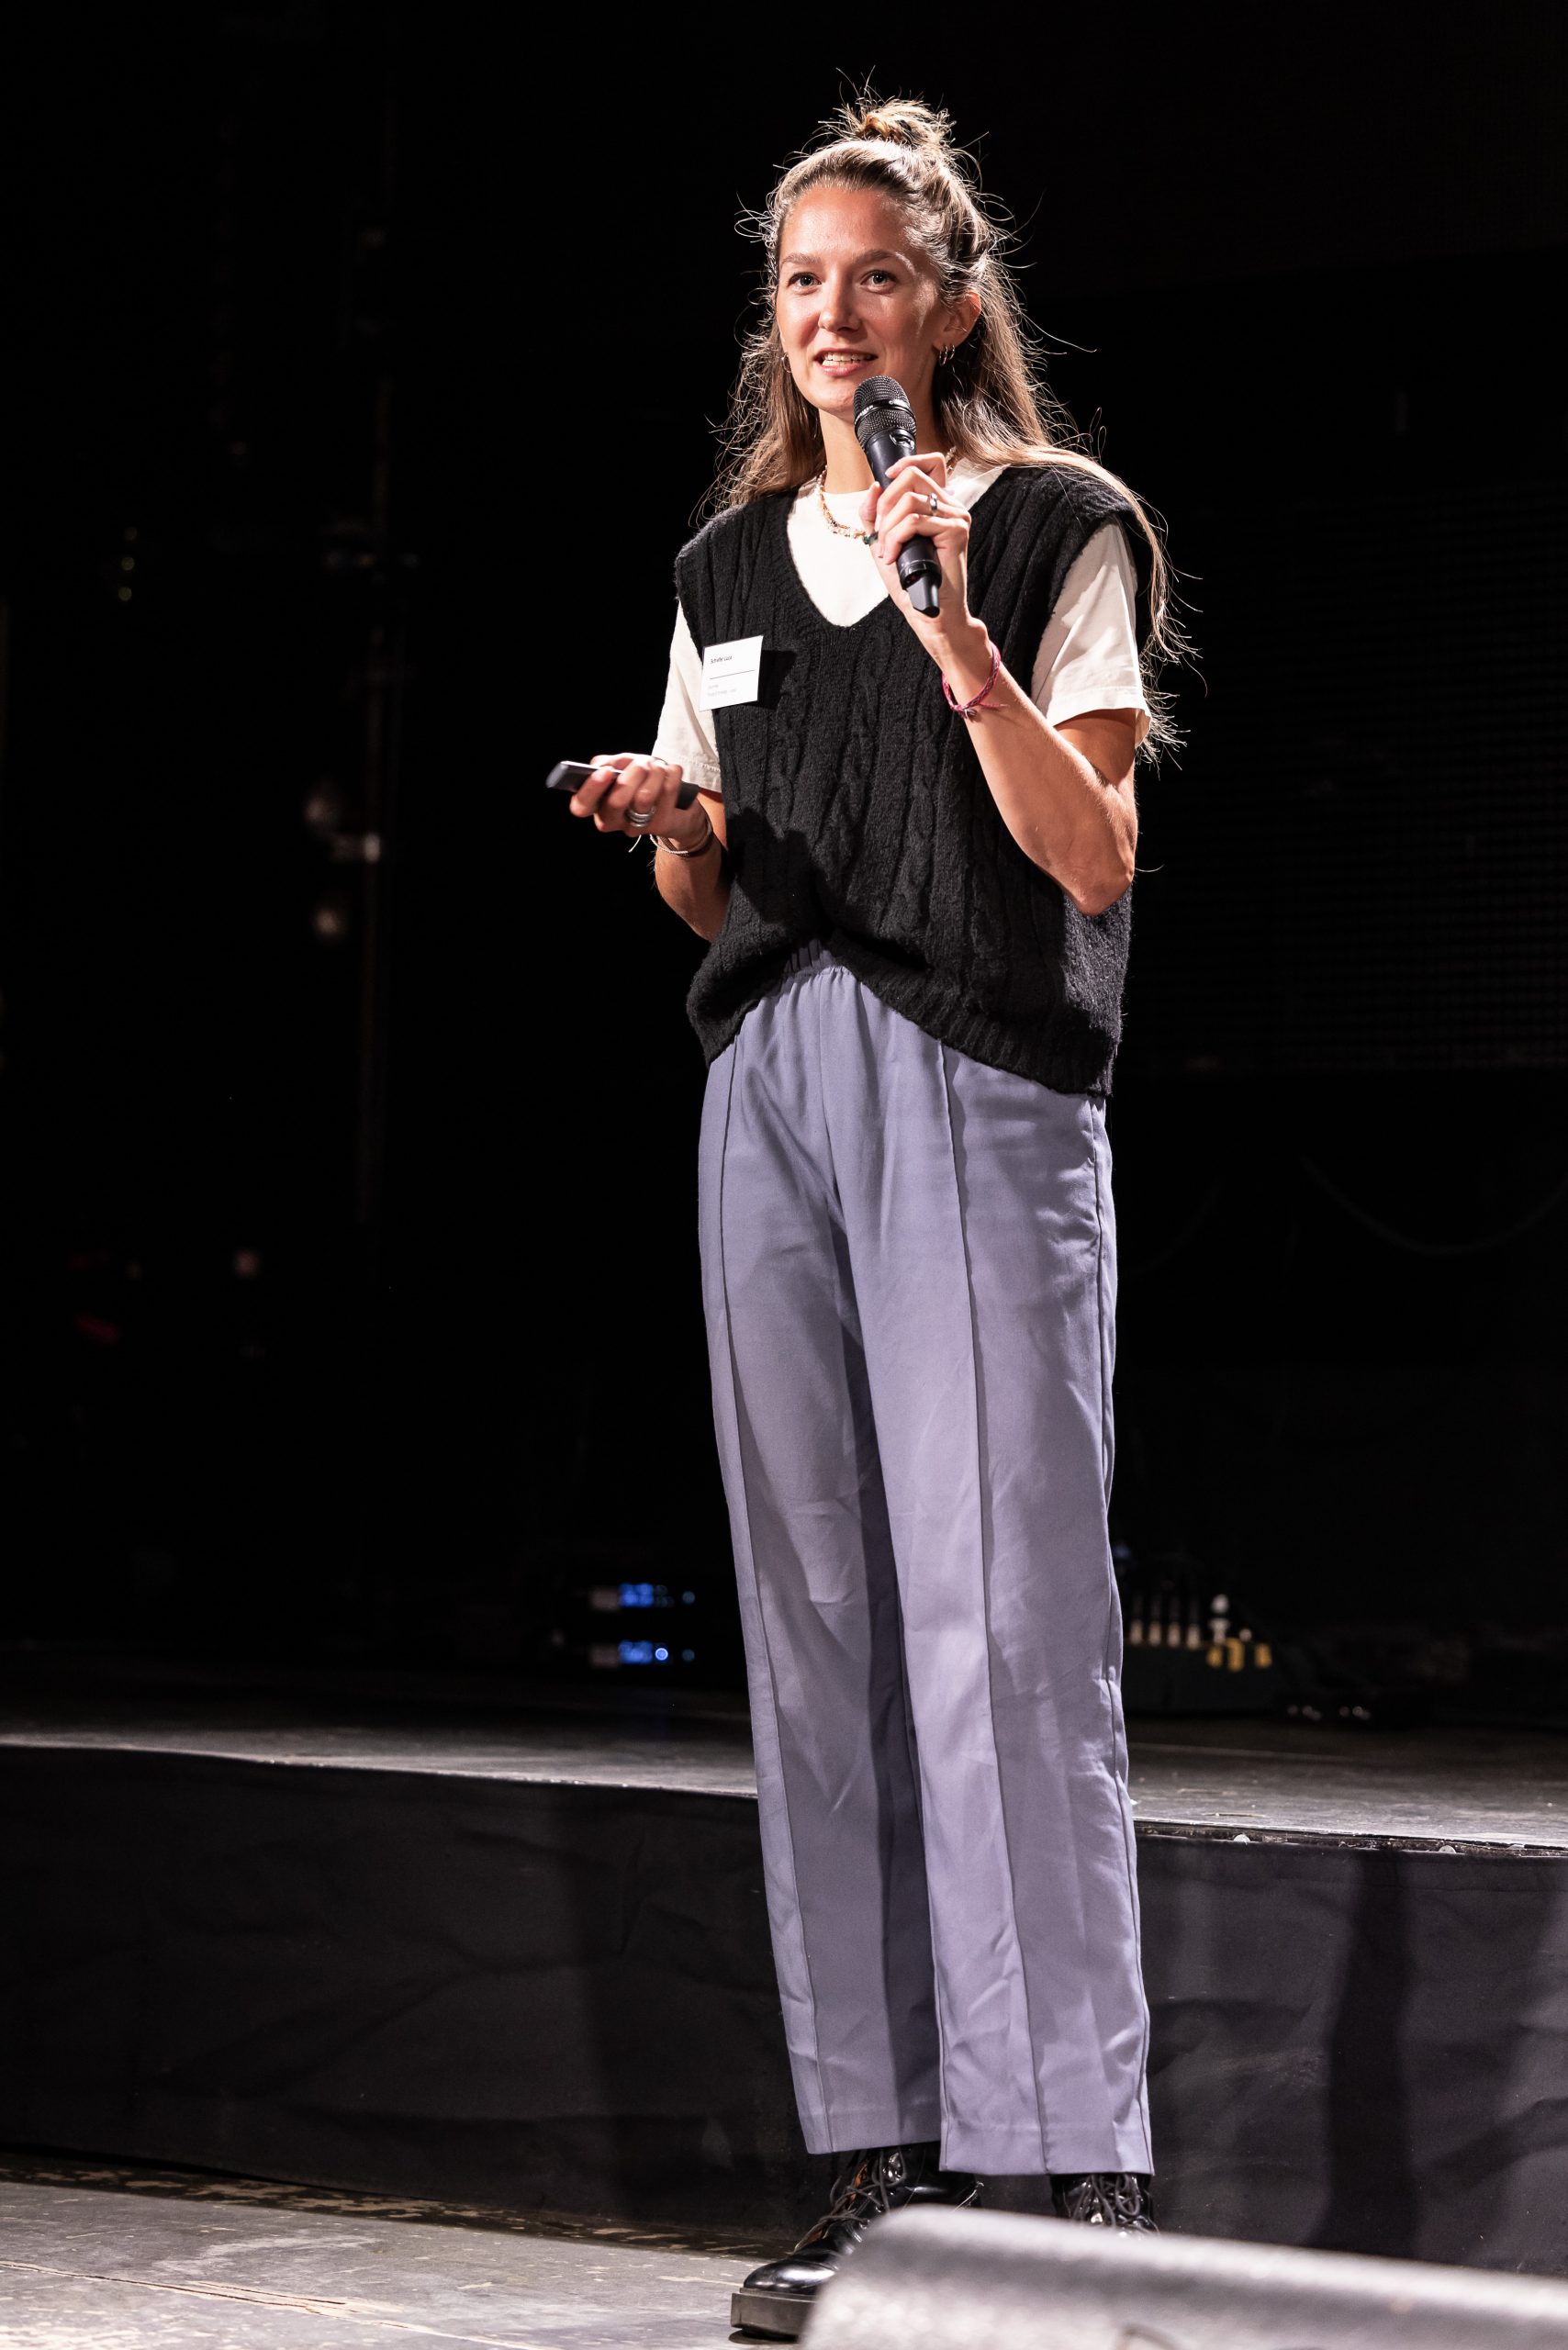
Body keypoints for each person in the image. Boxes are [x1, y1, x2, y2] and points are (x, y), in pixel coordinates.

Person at [567, 95, 1179, 2344]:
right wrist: (670, 821)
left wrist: (958, 646)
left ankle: (1069, 2160)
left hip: (978, 1075)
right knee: (815, 1621)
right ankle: (879, 2156)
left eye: (873, 279)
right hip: (773, 1085)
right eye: (799, 283)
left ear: (947, 303)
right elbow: (714, 885)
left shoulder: (1049, 524)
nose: (832, 318)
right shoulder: (723, 568)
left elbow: (1089, 856)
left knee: (1004, 1619)